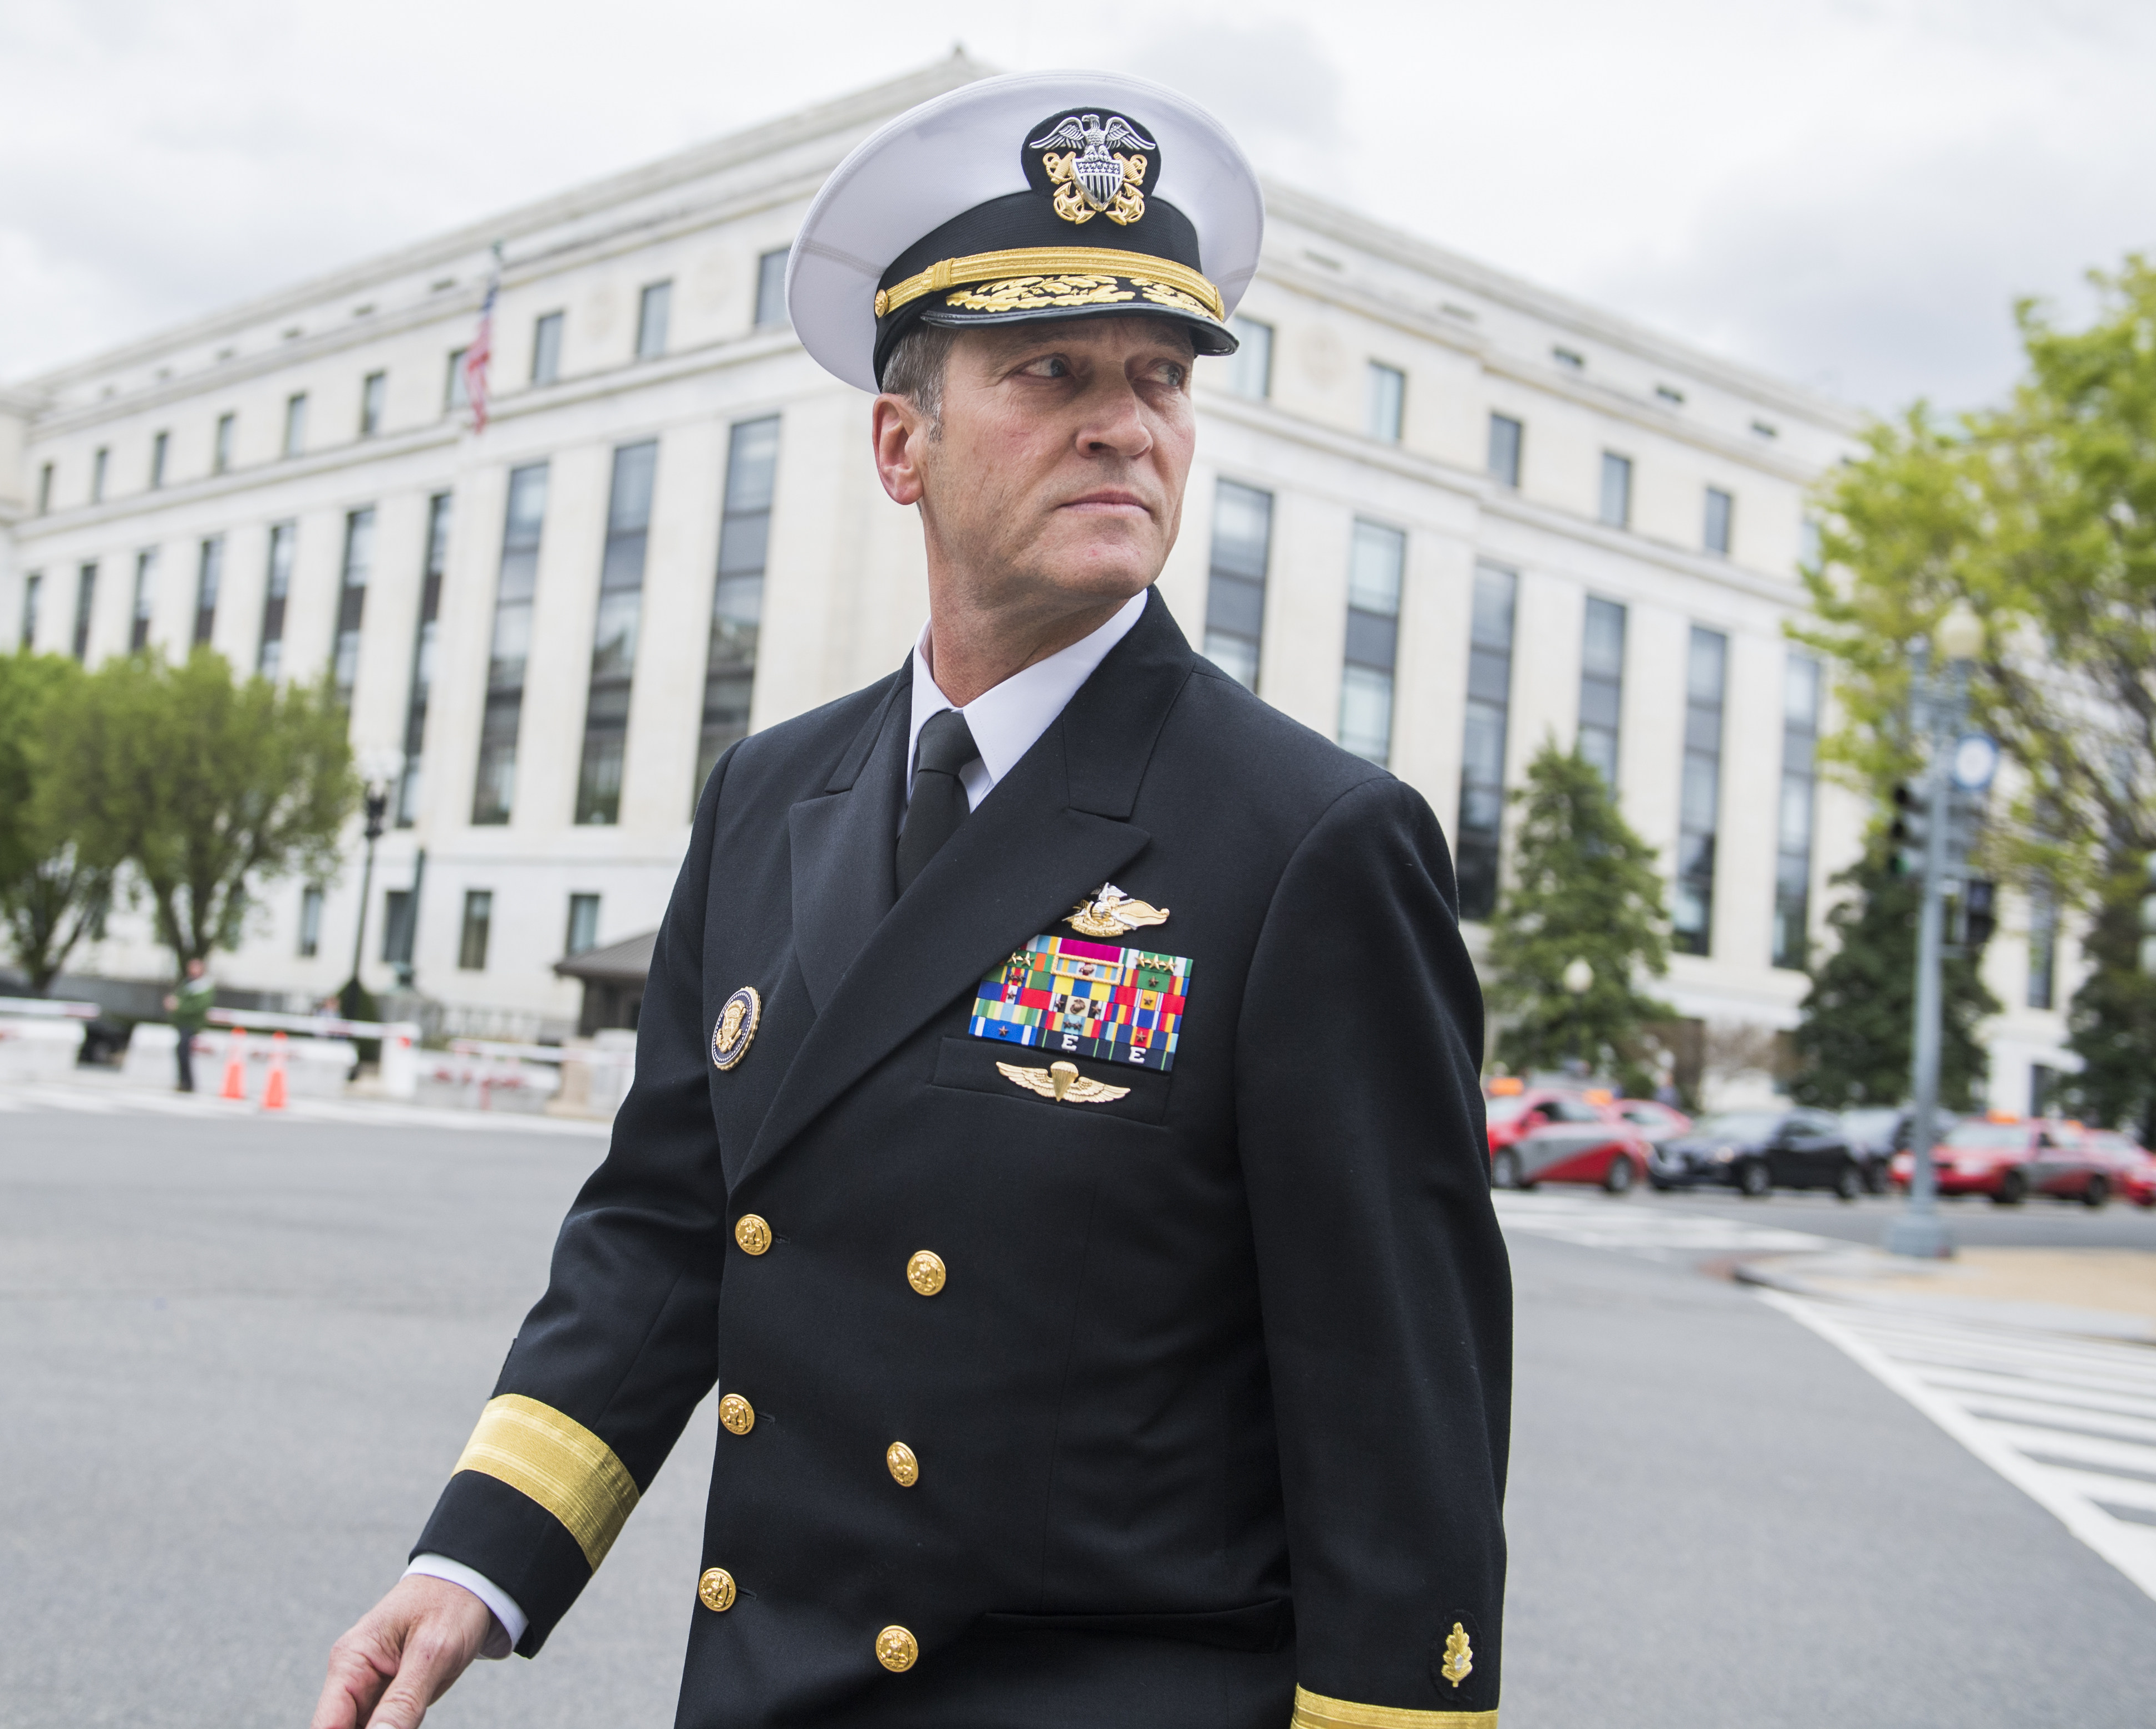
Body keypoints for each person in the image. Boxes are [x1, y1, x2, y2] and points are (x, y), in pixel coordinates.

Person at [313, 71, 1509, 1729]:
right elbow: (665, 1225)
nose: (1124, 422)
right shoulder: (766, 794)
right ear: (901, 442)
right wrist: (475, 1564)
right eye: (1048, 372)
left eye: (1158, 378)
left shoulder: (1308, 839)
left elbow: (1396, 1409)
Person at [163, 956, 211, 1093]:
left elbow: (198, 1006)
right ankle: (183, 1081)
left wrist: (178, 1006)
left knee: (184, 1051)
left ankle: (187, 1082)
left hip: (191, 1024)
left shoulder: (203, 986)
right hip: (182, 1023)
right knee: (181, 1051)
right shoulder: (187, 983)